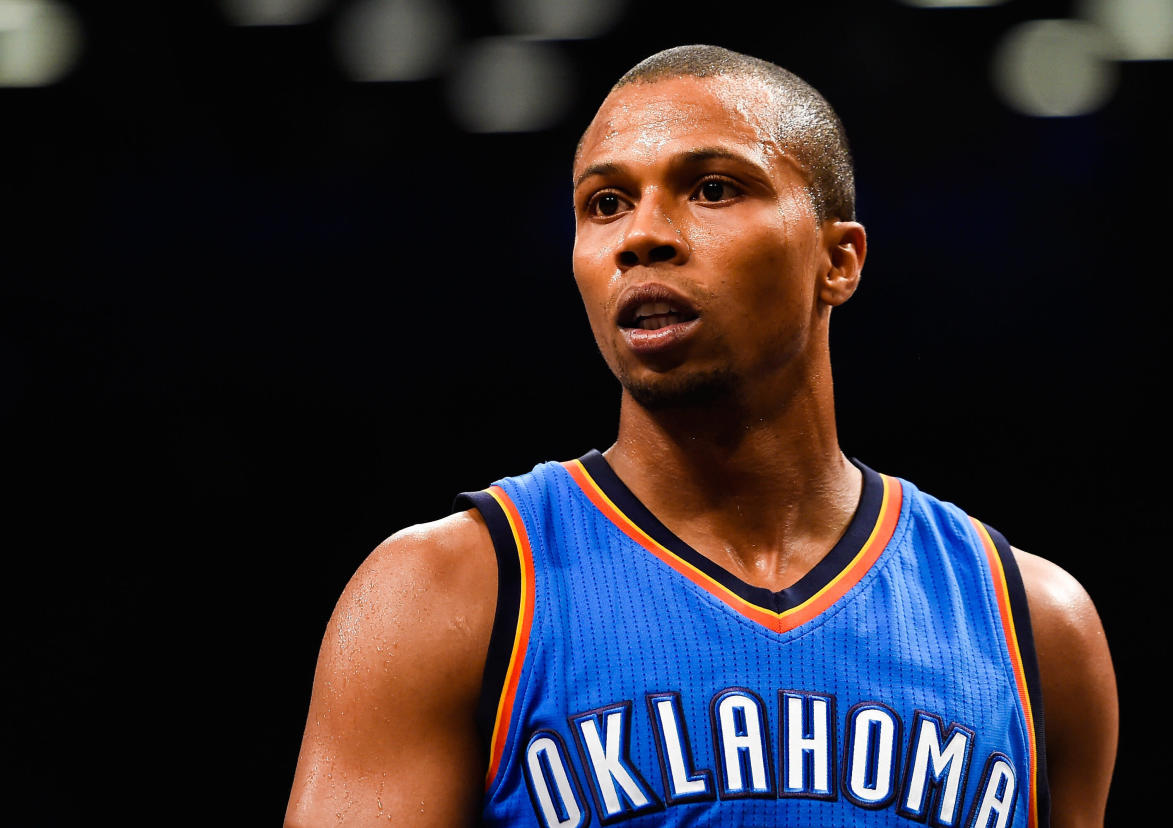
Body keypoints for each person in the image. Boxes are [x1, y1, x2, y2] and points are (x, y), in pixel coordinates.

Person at [285, 45, 1117, 828]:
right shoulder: (446, 595)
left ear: (840, 260)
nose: (641, 235)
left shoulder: (1033, 623)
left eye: (713, 189)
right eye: (605, 204)